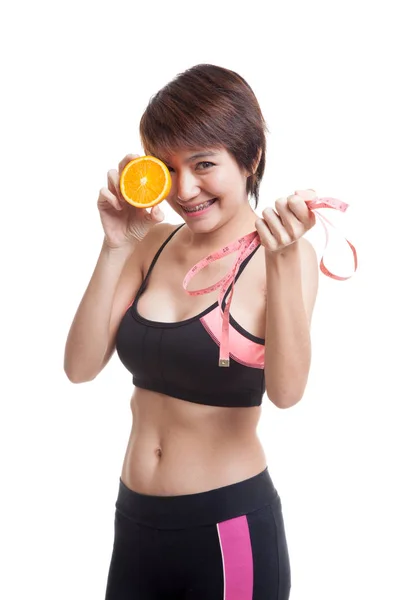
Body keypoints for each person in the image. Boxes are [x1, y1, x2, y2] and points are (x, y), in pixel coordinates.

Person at [64, 63, 319, 600]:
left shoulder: (284, 257)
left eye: (204, 164)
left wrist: (283, 259)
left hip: (228, 527)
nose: (185, 188)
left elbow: (288, 393)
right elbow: (80, 367)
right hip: (135, 521)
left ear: (249, 159)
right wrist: (114, 245)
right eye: (168, 167)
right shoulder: (151, 242)